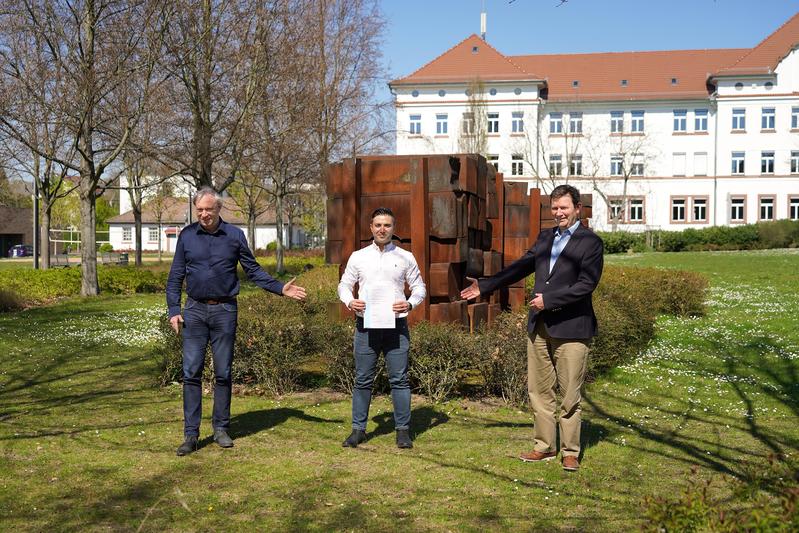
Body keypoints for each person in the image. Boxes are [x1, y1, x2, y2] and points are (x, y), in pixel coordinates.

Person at [460, 185, 603, 471]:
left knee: (570, 395)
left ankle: (570, 451)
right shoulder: (546, 237)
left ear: (578, 209)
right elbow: (521, 266)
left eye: (564, 207)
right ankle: (545, 446)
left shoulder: (591, 242)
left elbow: (586, 284)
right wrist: (485, 285)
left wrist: (549, 300)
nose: (558, 213)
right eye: (554, 208)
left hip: (573, 329)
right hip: (540, 327)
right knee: (539, 391)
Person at [167, 187, 306, 456]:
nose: (204, 214)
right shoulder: (186, 236)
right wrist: (174, 309)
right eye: (200, 210)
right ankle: (191, 434)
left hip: (224, 311)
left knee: (223, 373)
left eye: (209, 209)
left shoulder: (234, 236)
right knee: (191, 373)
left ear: (219, 209)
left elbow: (252, 270)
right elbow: (175, 277)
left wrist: (280, 288)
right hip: (194, 311)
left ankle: (221, 428)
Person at [337, 207, 426, 449]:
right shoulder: (358, 256)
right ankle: (358, 430)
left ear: (393, 228)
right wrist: (349, 301)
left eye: (387, 225)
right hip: (365, 326)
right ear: (371, 228)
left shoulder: (405, 257)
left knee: (399, 379)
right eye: (378, 225)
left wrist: (409, 303)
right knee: (363, 379)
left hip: (396, 327)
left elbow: (420, 288)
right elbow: (344, 285)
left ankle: (403, 431)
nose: (382, 229)